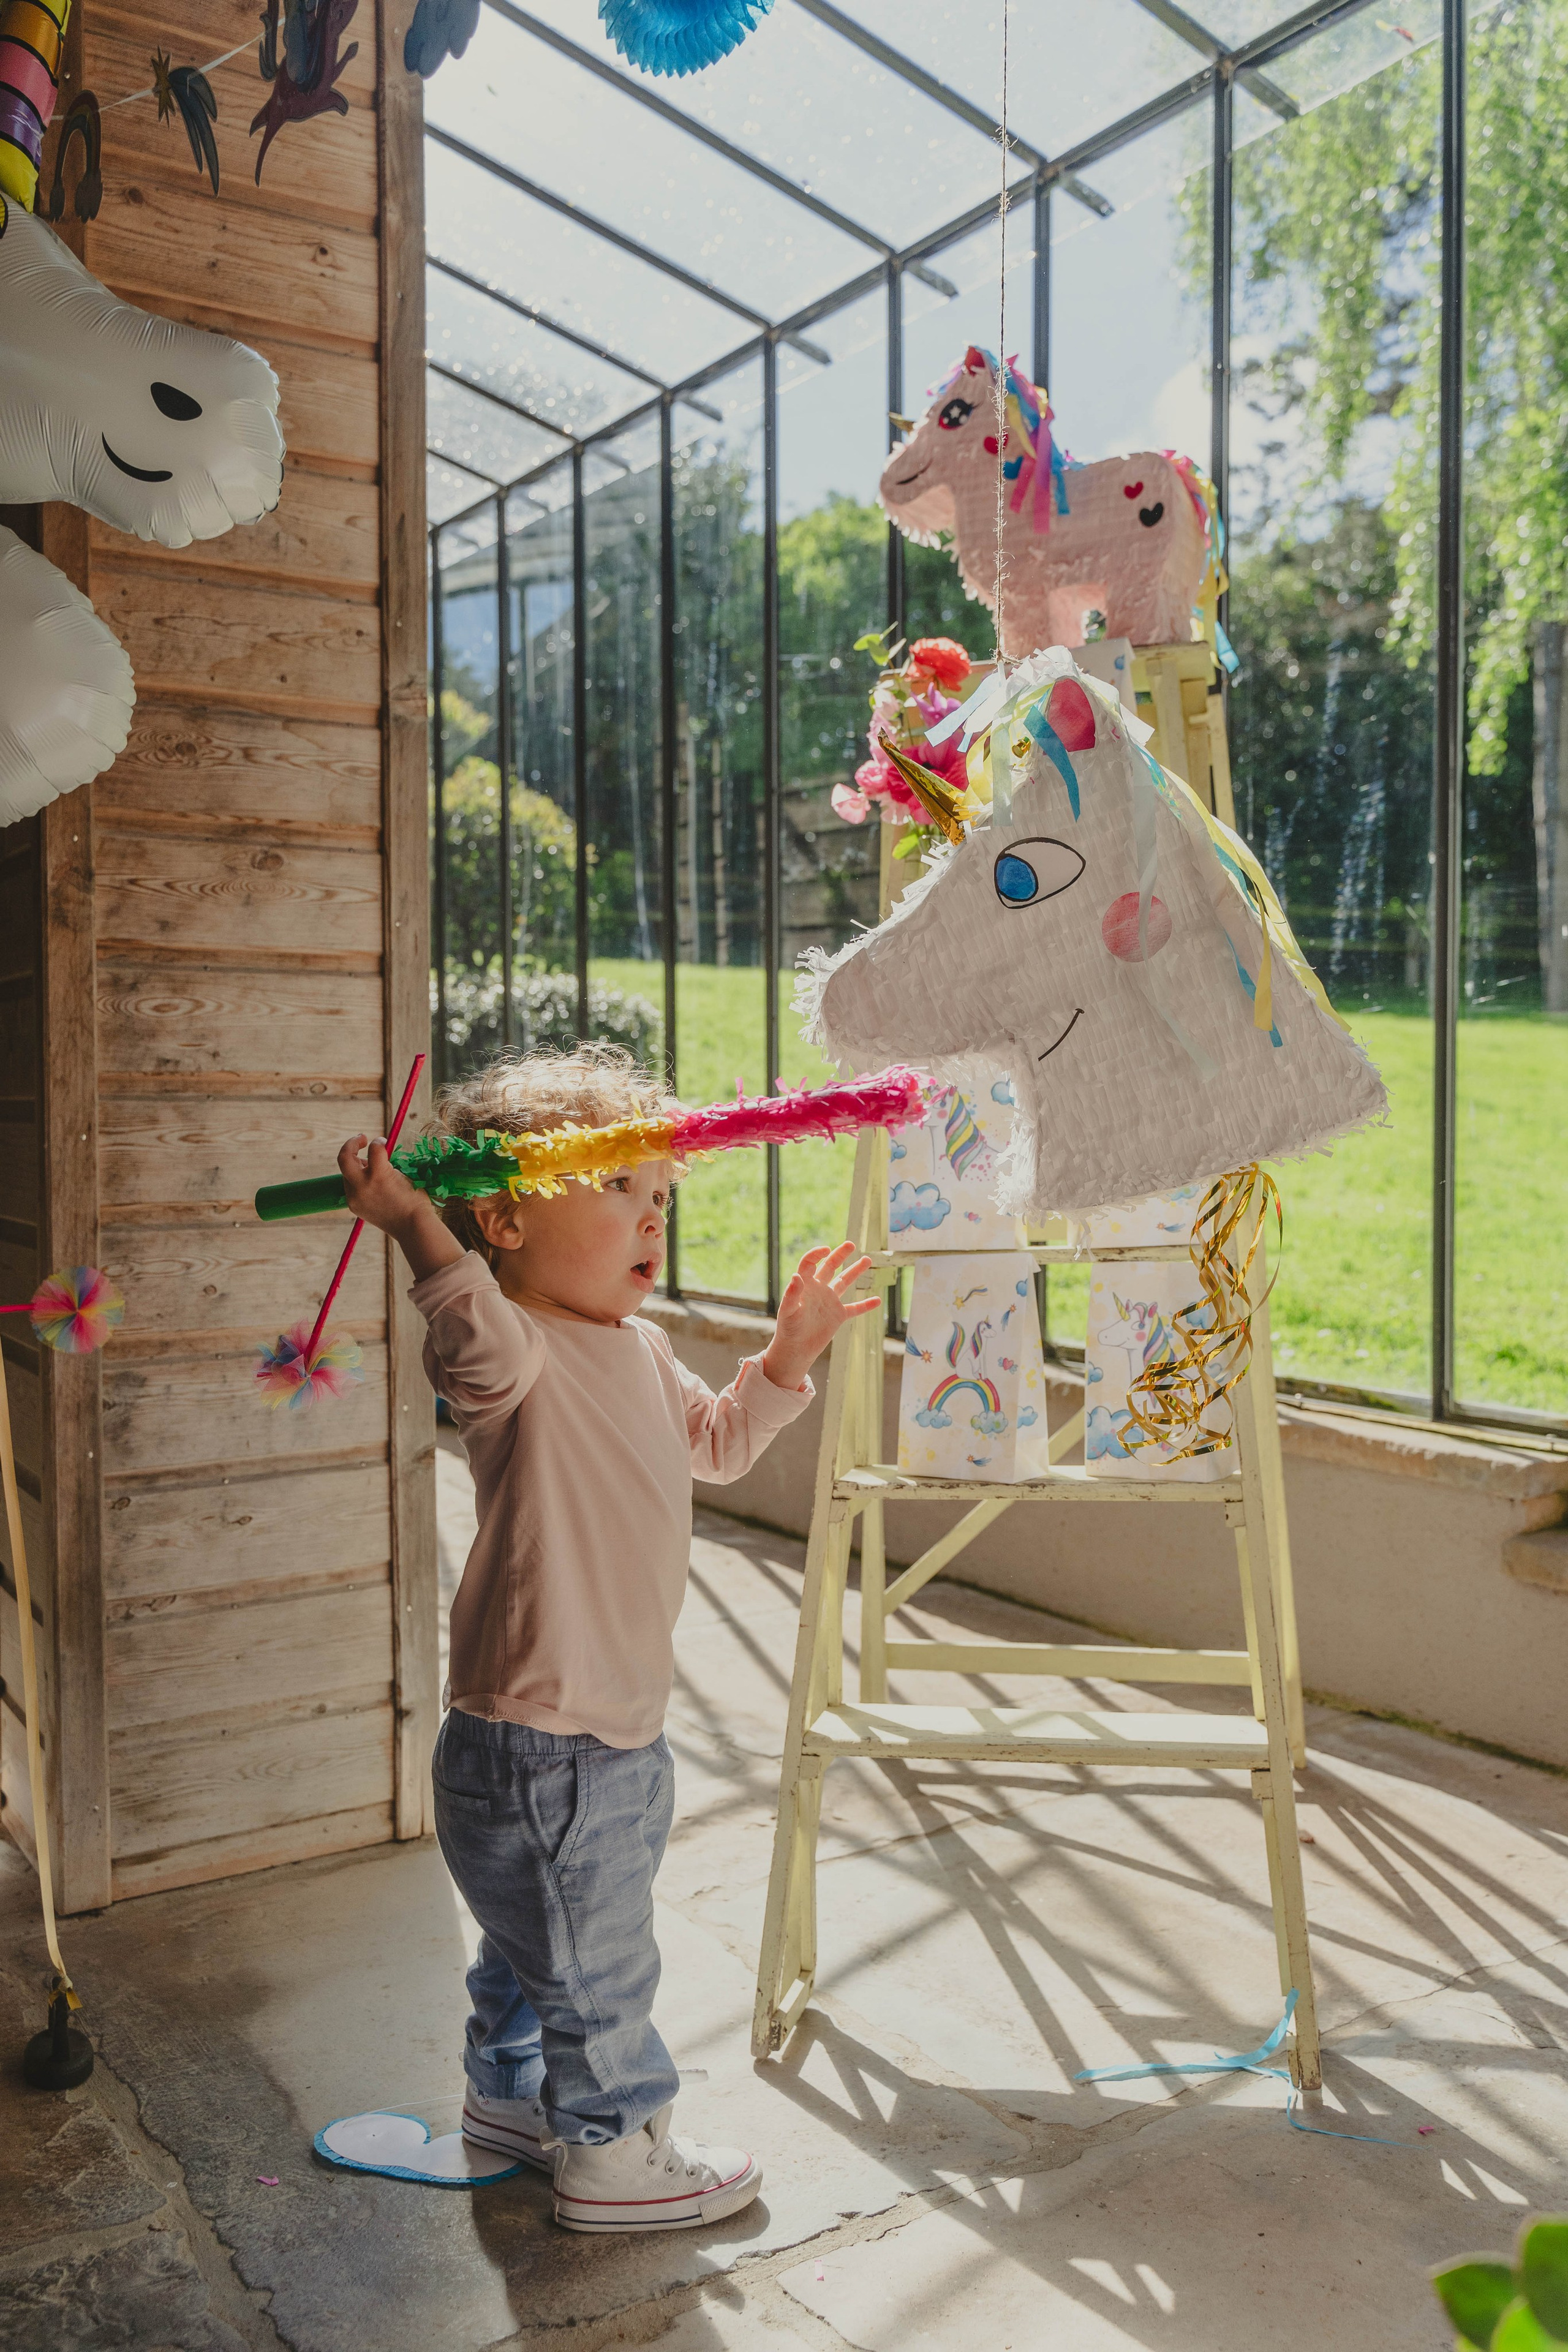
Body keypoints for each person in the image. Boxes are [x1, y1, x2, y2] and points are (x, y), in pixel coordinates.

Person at [337, 1044, 878, 2233]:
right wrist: (417, 1229)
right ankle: (613, 2154)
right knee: (600, 1970)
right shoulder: (513, 1355)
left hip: (601, 1740)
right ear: (510, 1217)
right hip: (546, 1748)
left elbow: (719, 1444)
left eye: (660, 1198)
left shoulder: (634, 1345)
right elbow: (467, 1332)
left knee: (540, 1950)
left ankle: (509, 2099)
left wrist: (787, 1355)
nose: (651, 1219)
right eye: (618, 1189)